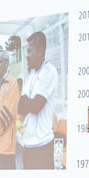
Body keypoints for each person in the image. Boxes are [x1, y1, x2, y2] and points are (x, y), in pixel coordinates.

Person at [18, 31, 57, 169]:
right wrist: (28, 102)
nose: (27, 56)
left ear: (40, 51)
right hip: (27, 145)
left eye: (30, 51)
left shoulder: (49, 72)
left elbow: (36, 106)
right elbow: (20, 107)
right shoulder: (31, 75)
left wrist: (28, 102)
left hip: (43, 146)